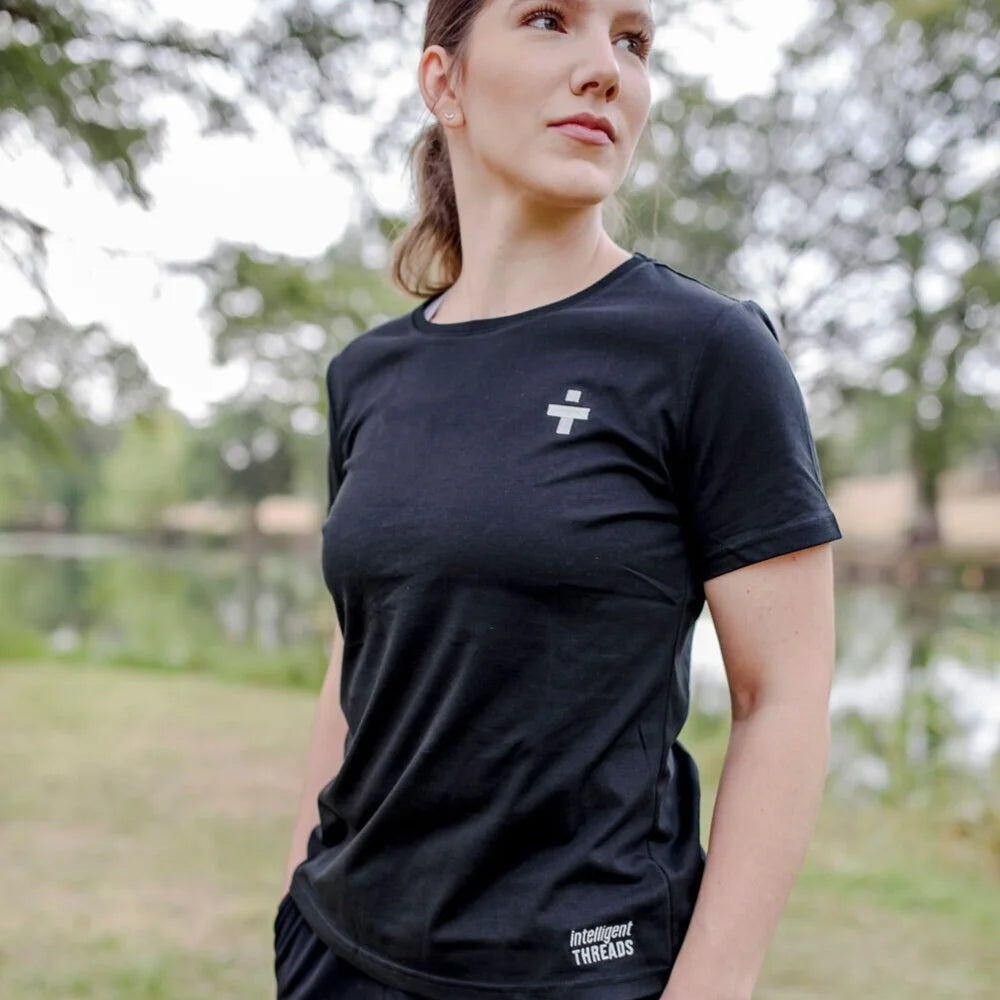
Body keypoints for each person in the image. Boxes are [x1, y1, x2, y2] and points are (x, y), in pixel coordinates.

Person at [273, 1, 843, 998]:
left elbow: (781, 697)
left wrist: (711, 986)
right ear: (444, 82)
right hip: (340, 954)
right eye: (549, 18)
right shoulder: (367, 373)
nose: (606, 68)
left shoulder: (708, 353)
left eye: (632, 40)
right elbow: (360, 644)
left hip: (580, 970)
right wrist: (299, 887)